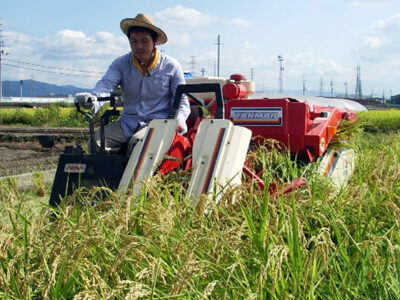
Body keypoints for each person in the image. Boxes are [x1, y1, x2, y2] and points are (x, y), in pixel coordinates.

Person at [75, 13, 190, 154]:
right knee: (96, 143)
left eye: (144, 41)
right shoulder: (121, 64)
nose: (139, 46)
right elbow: (106, 84)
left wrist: (180, 119)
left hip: (158, 124)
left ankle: (133, 176)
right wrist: (93, 99)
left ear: (154, 42)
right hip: (128, 123)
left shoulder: (171, 66)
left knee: (138, 144)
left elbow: (182, 100)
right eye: (134, 41)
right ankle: (108, 176)